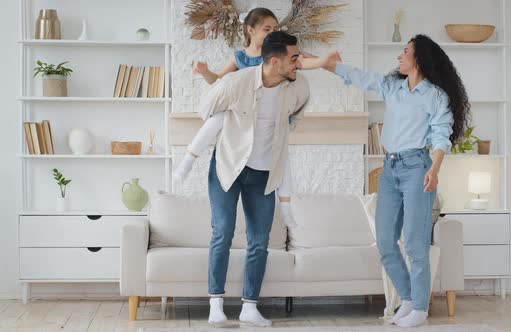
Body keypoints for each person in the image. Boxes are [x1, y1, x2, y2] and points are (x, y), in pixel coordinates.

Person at [323, 34, 470, 327]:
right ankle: (408, 299)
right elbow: (362, 78)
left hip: (418, 167)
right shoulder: (393, 88)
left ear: (420, 59)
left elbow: (442, 134)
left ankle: (419, 310)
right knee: (386, 242)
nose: (399, 57)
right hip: (389, 169)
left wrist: (435, 168)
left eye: (405, 52)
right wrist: (330, 66)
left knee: (415, 245)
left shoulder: (435, 95)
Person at [192, 31, 309, 327]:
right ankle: (215, 303)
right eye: (294, 58)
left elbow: (296, 116)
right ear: (274, 60)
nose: (300, 63)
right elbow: (205, 110)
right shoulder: (236, 82)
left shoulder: (299, 88)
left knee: (259, 241)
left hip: (263, 173)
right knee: (223, 233)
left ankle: (249, 306)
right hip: (228, 168)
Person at [174, 7, 329, 228]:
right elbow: (219, 81)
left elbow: (301, 65)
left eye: (275, 28)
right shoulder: (241, 57)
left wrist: (324, 61)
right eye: (267, 28)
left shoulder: (281, 56)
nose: (272, 33)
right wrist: (204, 71)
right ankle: (188, 159)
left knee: (281, 153)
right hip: (242, 114)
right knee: (220, 116)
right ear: (250, 30)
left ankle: (285, 206)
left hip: (270, 117)